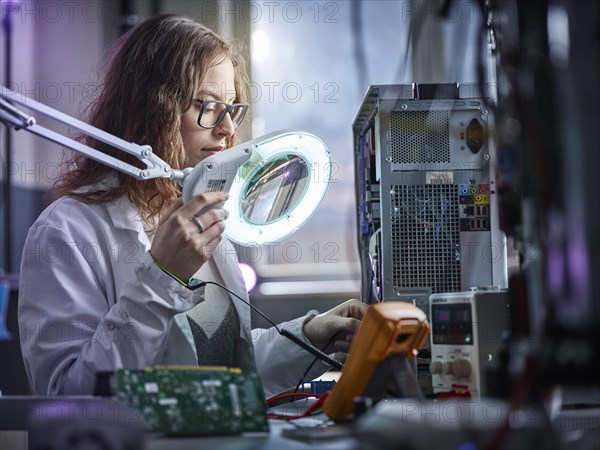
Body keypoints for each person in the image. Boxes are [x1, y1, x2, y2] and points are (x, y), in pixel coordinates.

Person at [17, 14, 367, 398]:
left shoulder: (199, 214)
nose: (228, 129)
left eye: (232, 107)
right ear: (151, 108)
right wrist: (162, 278)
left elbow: (218, 370)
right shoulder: (66, 231)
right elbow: (70, 396)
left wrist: (309, 336)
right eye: (207, 105)